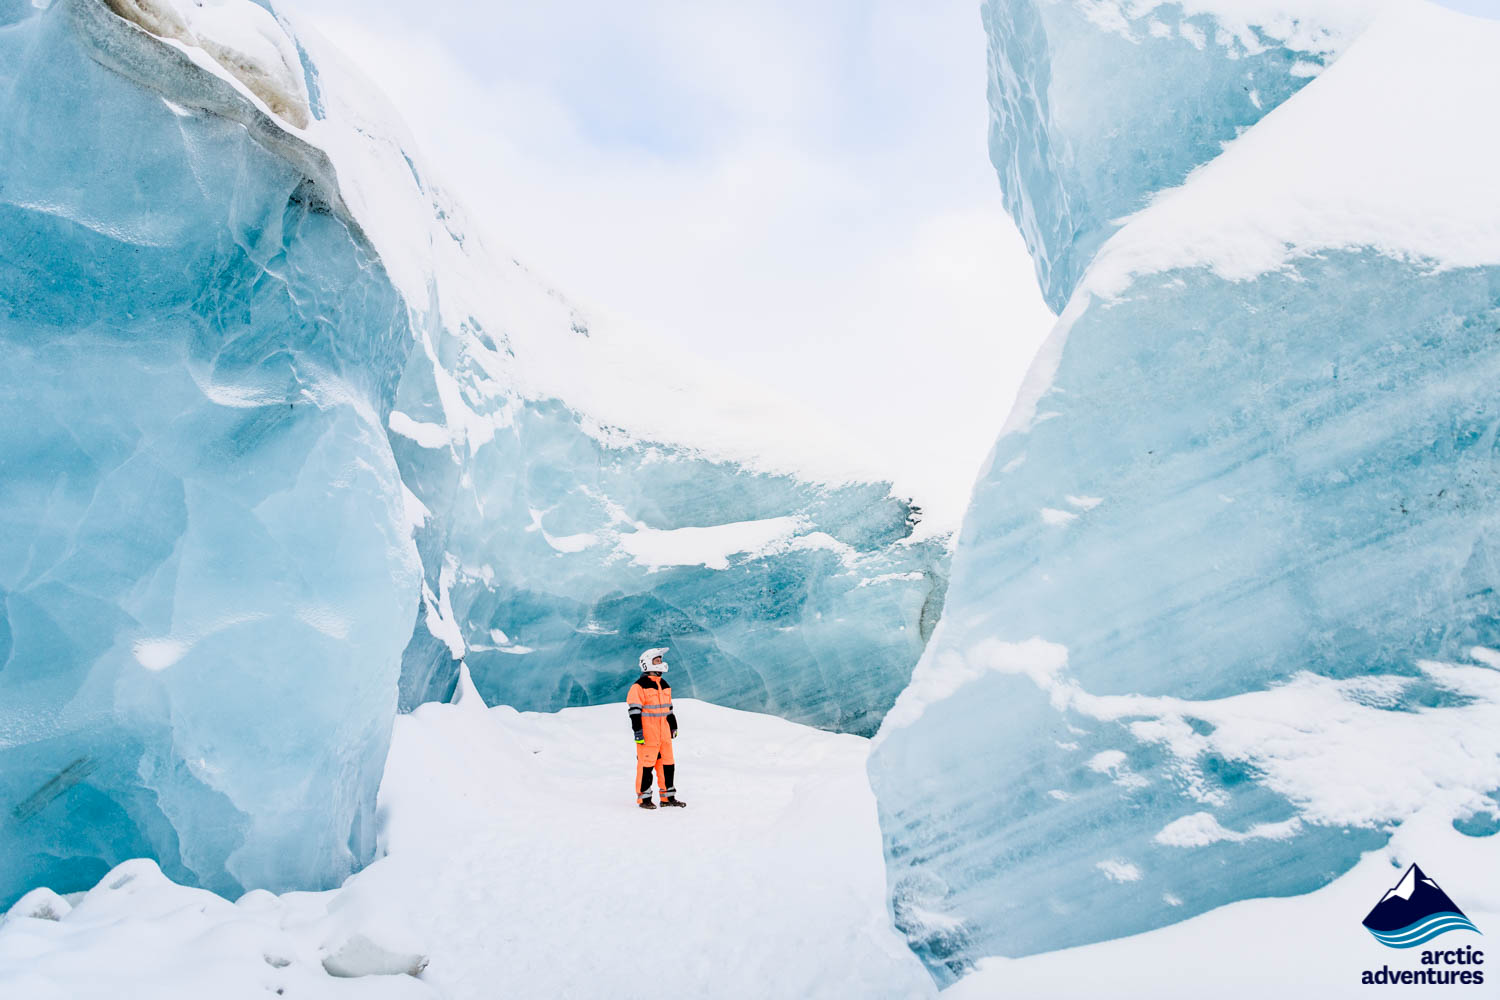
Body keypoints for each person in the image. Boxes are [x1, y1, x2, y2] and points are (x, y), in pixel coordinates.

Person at [628, 646, 686, 809]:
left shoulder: (664, 685)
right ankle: (644, 799)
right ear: (647, 663)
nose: (660, 662)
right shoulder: (638, 686)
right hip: (648, 735)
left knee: (668, 765)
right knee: (646, 766)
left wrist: (673, 726)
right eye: (657, 660)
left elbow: (669, 709)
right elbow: (634, 712)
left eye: (660, 659)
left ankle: (668, 798)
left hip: (664, 736)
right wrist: (638, 732)